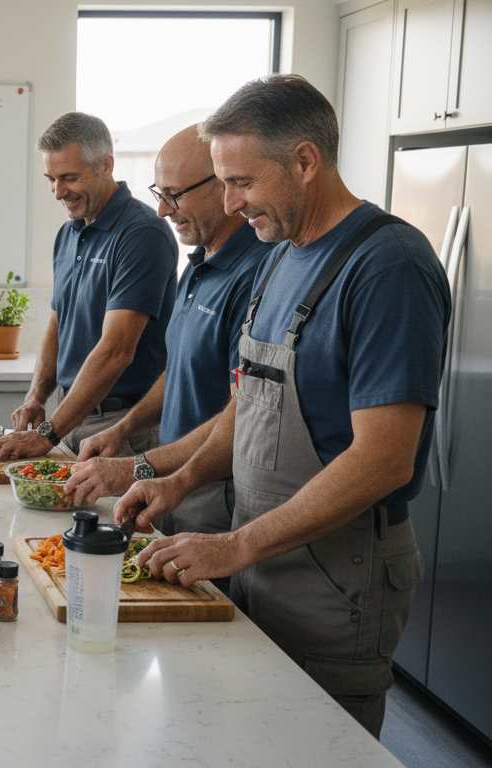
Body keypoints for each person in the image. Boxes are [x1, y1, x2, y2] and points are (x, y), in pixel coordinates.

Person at [117, 74, 450, 737]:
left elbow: (384, 460)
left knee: (311, 749)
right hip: (259, 558)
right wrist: (177, 480)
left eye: (242, 182)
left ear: (304, 161)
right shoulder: (282, 254)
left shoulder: (386, 267)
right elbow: (250, 403)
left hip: (336, 578)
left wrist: (236, 546)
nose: (232, 204)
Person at [65, 125, 272, 543]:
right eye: (159, 193)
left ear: (222, 186)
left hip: (214, 491)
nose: (163, 210)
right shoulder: (198, 264)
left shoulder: (256, 273)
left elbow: (244, 412)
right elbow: (177, 369)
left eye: (174, 195)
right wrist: (125, 427)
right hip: (171, 481)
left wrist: (137, 465)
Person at [0, 113, 176, 461]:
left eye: (69, 178)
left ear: (106, 165)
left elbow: (117, 350)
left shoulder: (142, 234)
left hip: (122, 424)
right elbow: (58, 324)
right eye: (51, 179)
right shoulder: (69, 233)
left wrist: (47, 434)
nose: (58, 192)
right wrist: (36, 397)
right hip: (71, 415)